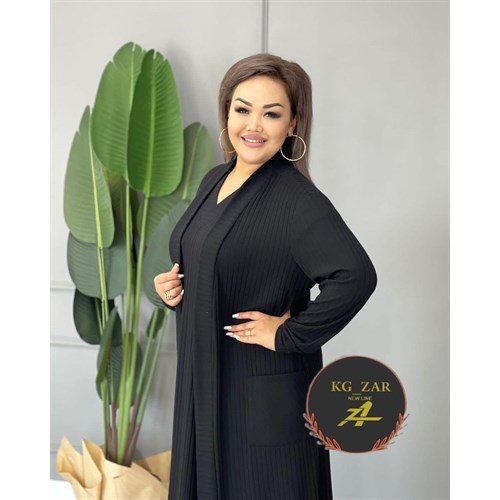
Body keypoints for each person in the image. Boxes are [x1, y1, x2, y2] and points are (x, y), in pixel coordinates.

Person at [154, 53, 377, 500]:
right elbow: (211, 260)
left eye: (271, 114)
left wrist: (288, 334)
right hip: (204, 383)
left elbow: (356, 276)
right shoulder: (214, 180)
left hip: (260, 396)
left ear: (292, 123)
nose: (253, 125)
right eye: (243, 109)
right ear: (227, 113)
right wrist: (173, 290)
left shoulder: (296, 200)